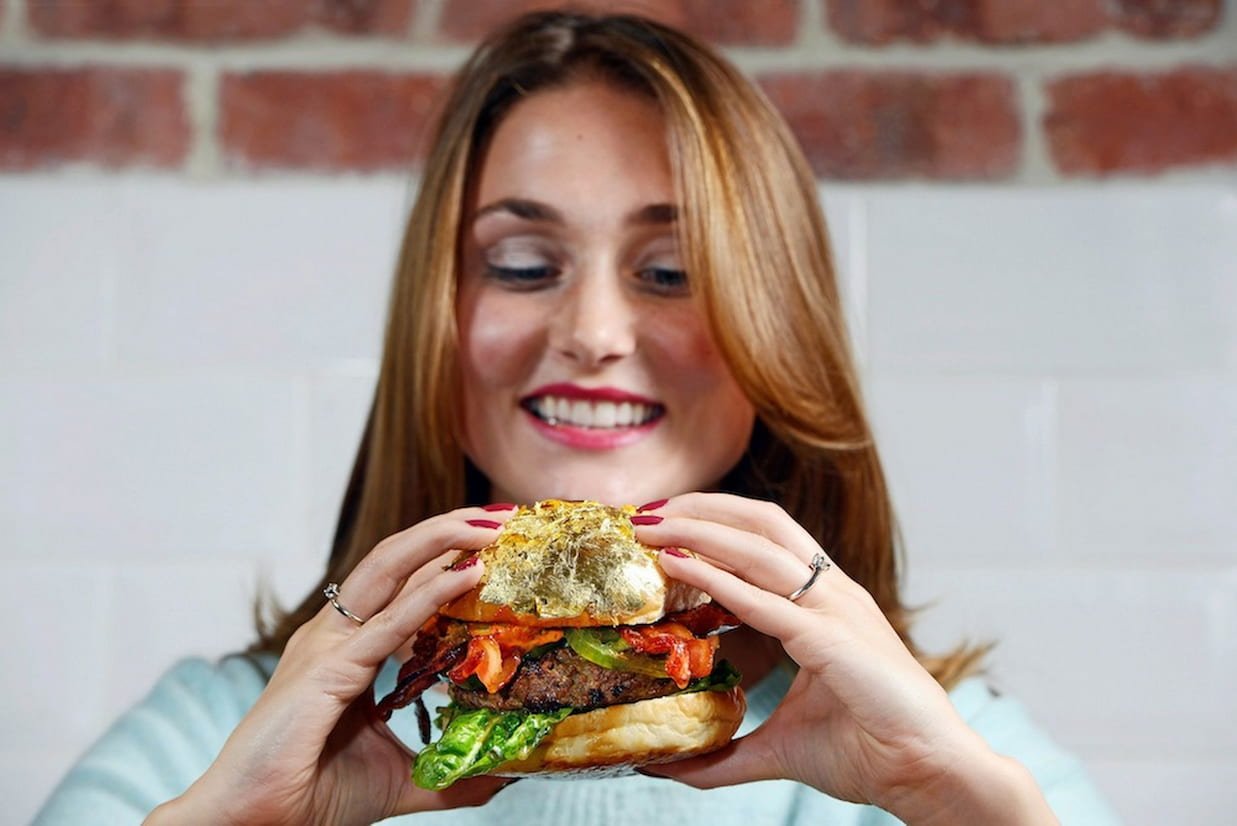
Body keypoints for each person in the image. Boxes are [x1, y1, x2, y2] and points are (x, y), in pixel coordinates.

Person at [35, 10, 1118, 825]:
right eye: (521, 262)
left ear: (773, 334)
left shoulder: (943, 745)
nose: (594, 329)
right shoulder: (212, 739)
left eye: (670, 270)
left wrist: (959, 802)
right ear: (440, 320)